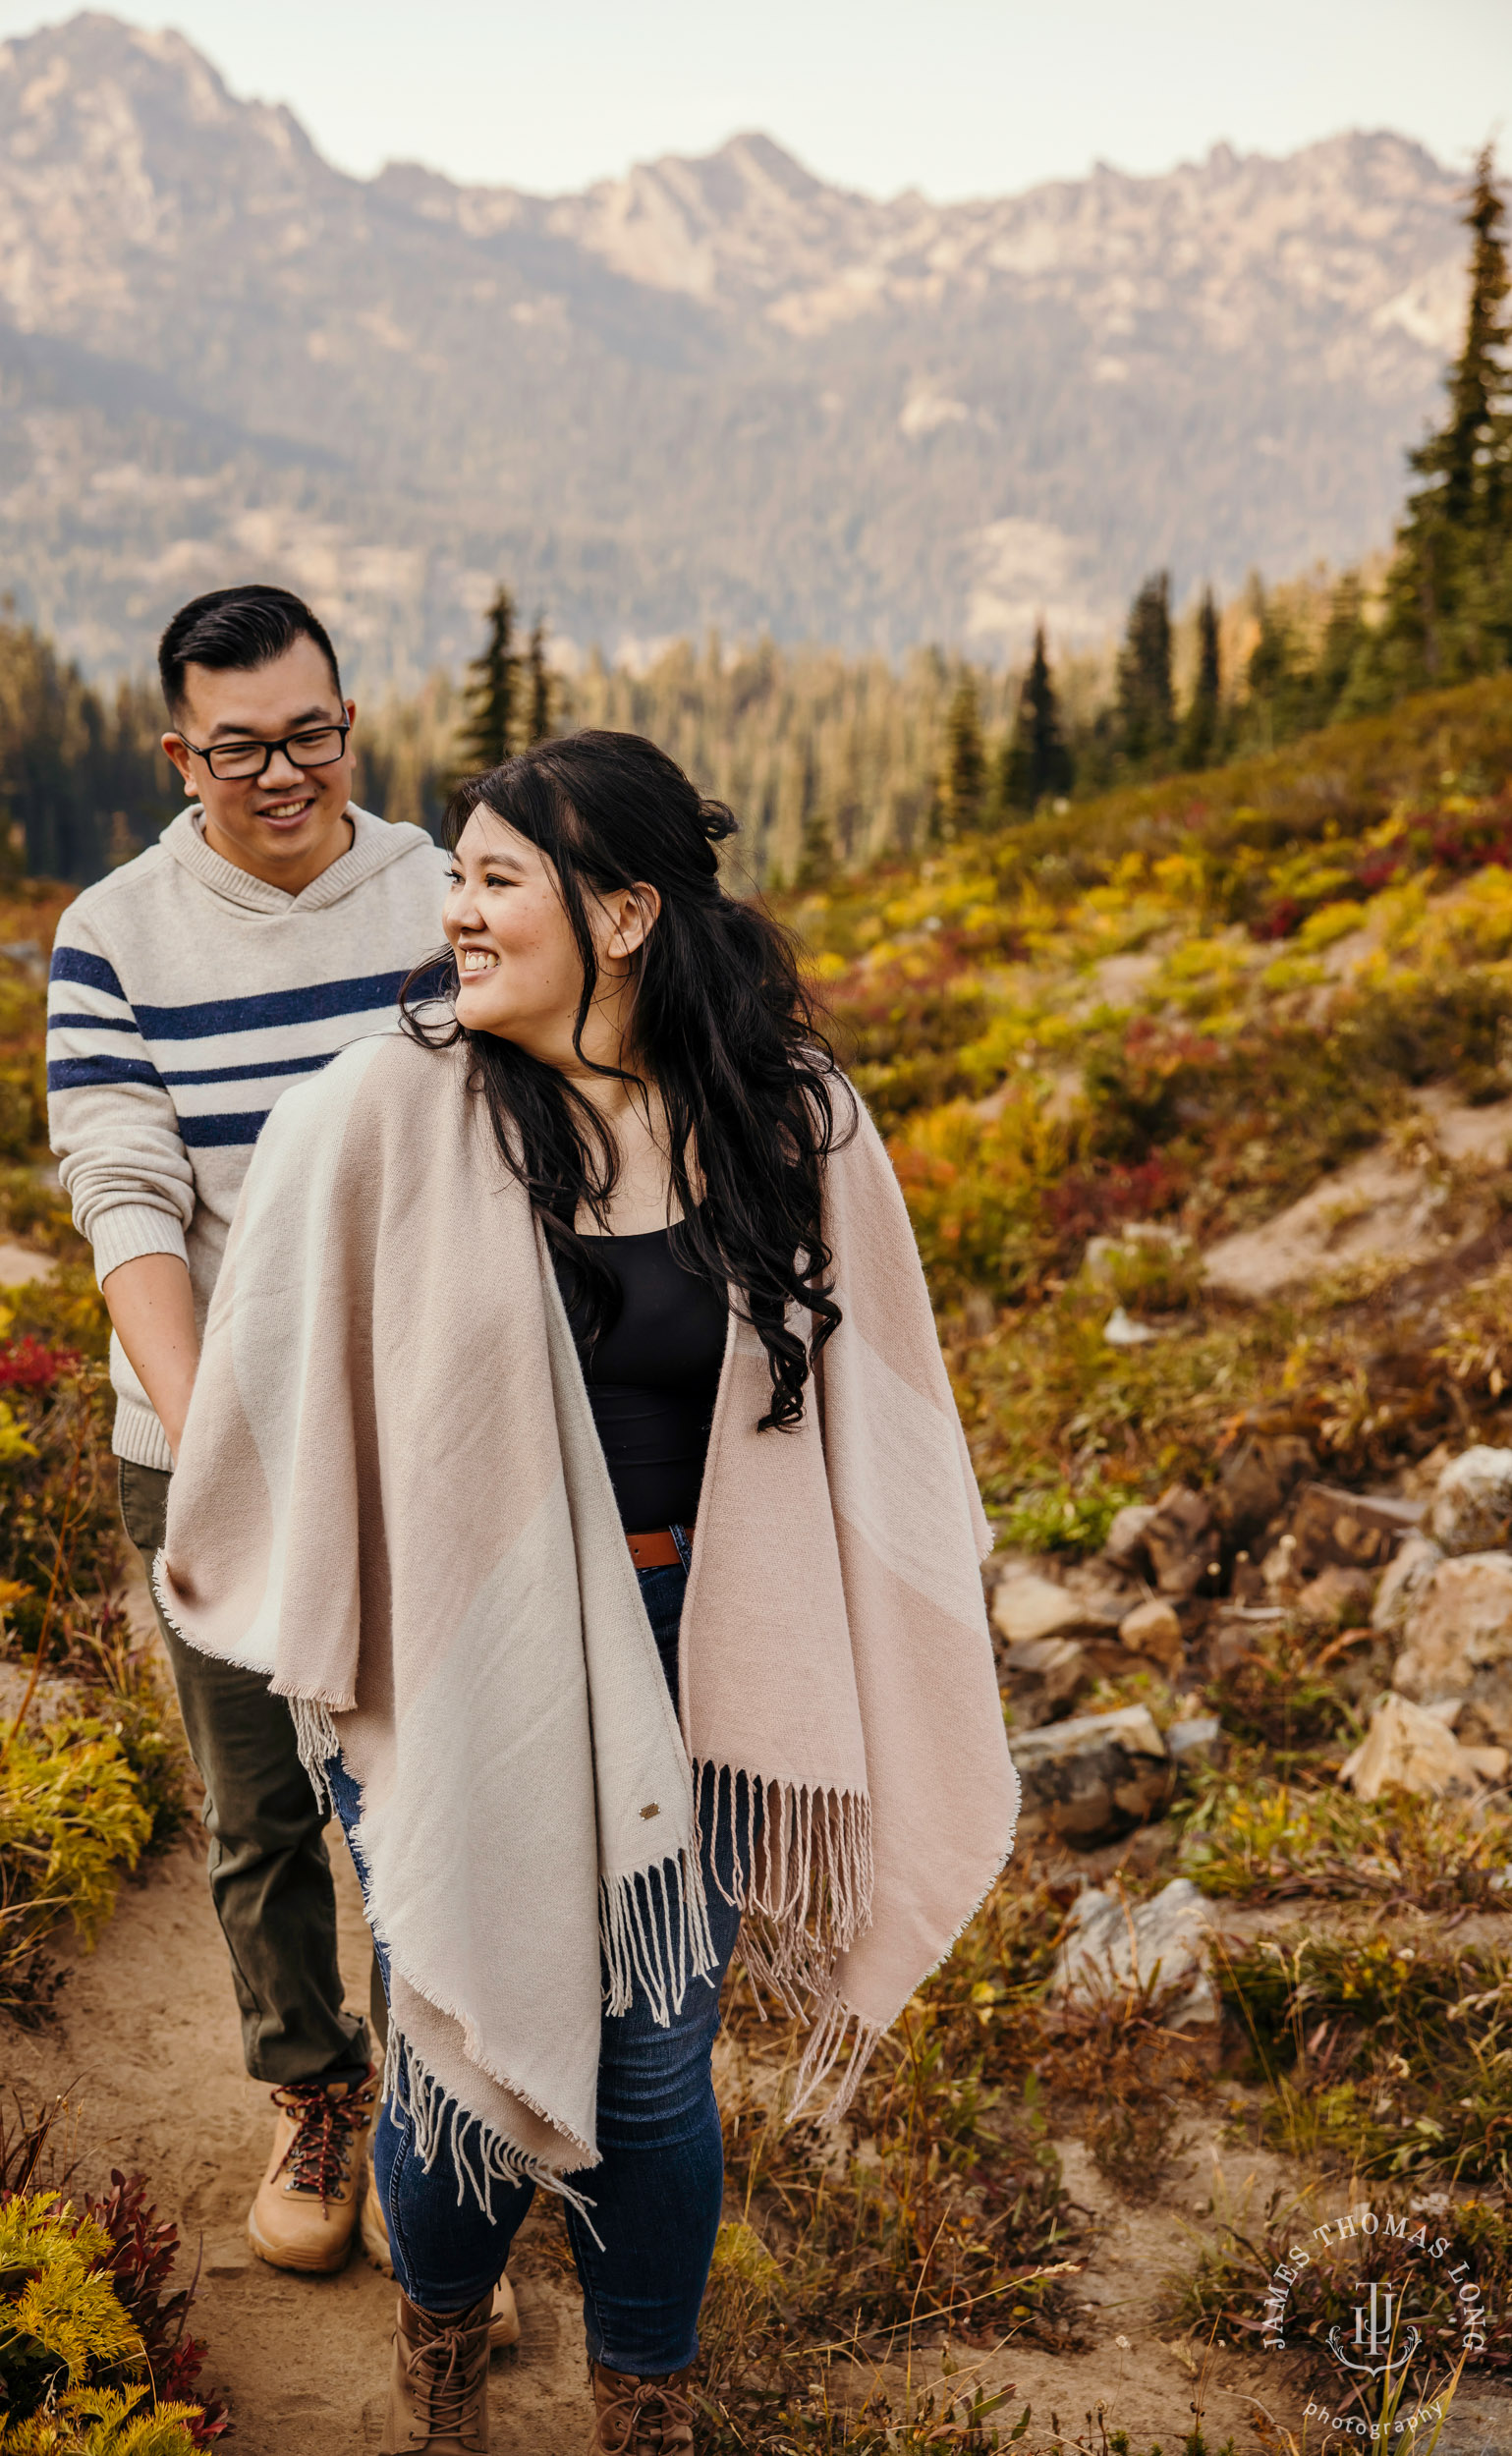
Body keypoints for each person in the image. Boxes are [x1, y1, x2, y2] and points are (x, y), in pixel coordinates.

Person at [156, 731, 1017, 2455]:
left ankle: (645, 2403)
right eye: (455, 879)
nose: (454, 914)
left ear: (625, 914)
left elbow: (887, 1413)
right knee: (467, 2030)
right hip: (458, 1656)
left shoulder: (790, 1119)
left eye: (496, 881)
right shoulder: (387, 1110)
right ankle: (444, 2345)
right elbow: (266, 1388)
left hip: (709, 1638)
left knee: (651, 2066)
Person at [48, 583, 505, 2295]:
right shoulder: (115, 932)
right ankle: (315, 2093)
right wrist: (215, 1439)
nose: (285, 772)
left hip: (434, 1435)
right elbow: (126, 1194)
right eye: (241, 747)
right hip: (206, 1432)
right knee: (258, 1806)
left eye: (313, 734)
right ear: (182, 753)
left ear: (350, 724)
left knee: (436, 1791)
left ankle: (441, 2148)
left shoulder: (440, 895)